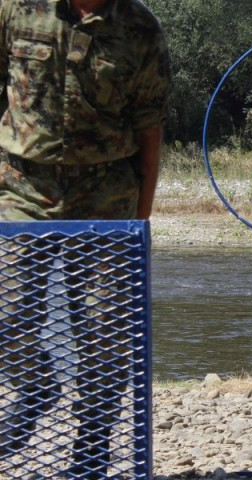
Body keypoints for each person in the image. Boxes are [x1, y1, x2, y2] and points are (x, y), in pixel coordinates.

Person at [0, 0, 170, 477]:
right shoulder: (16, 10)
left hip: (107, 192)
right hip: (24, 187)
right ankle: (36, 385)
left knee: (106, 330)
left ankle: (92, 445)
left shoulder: (138, 27)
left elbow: (150, 132)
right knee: (6, 313)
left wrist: (139, 225)